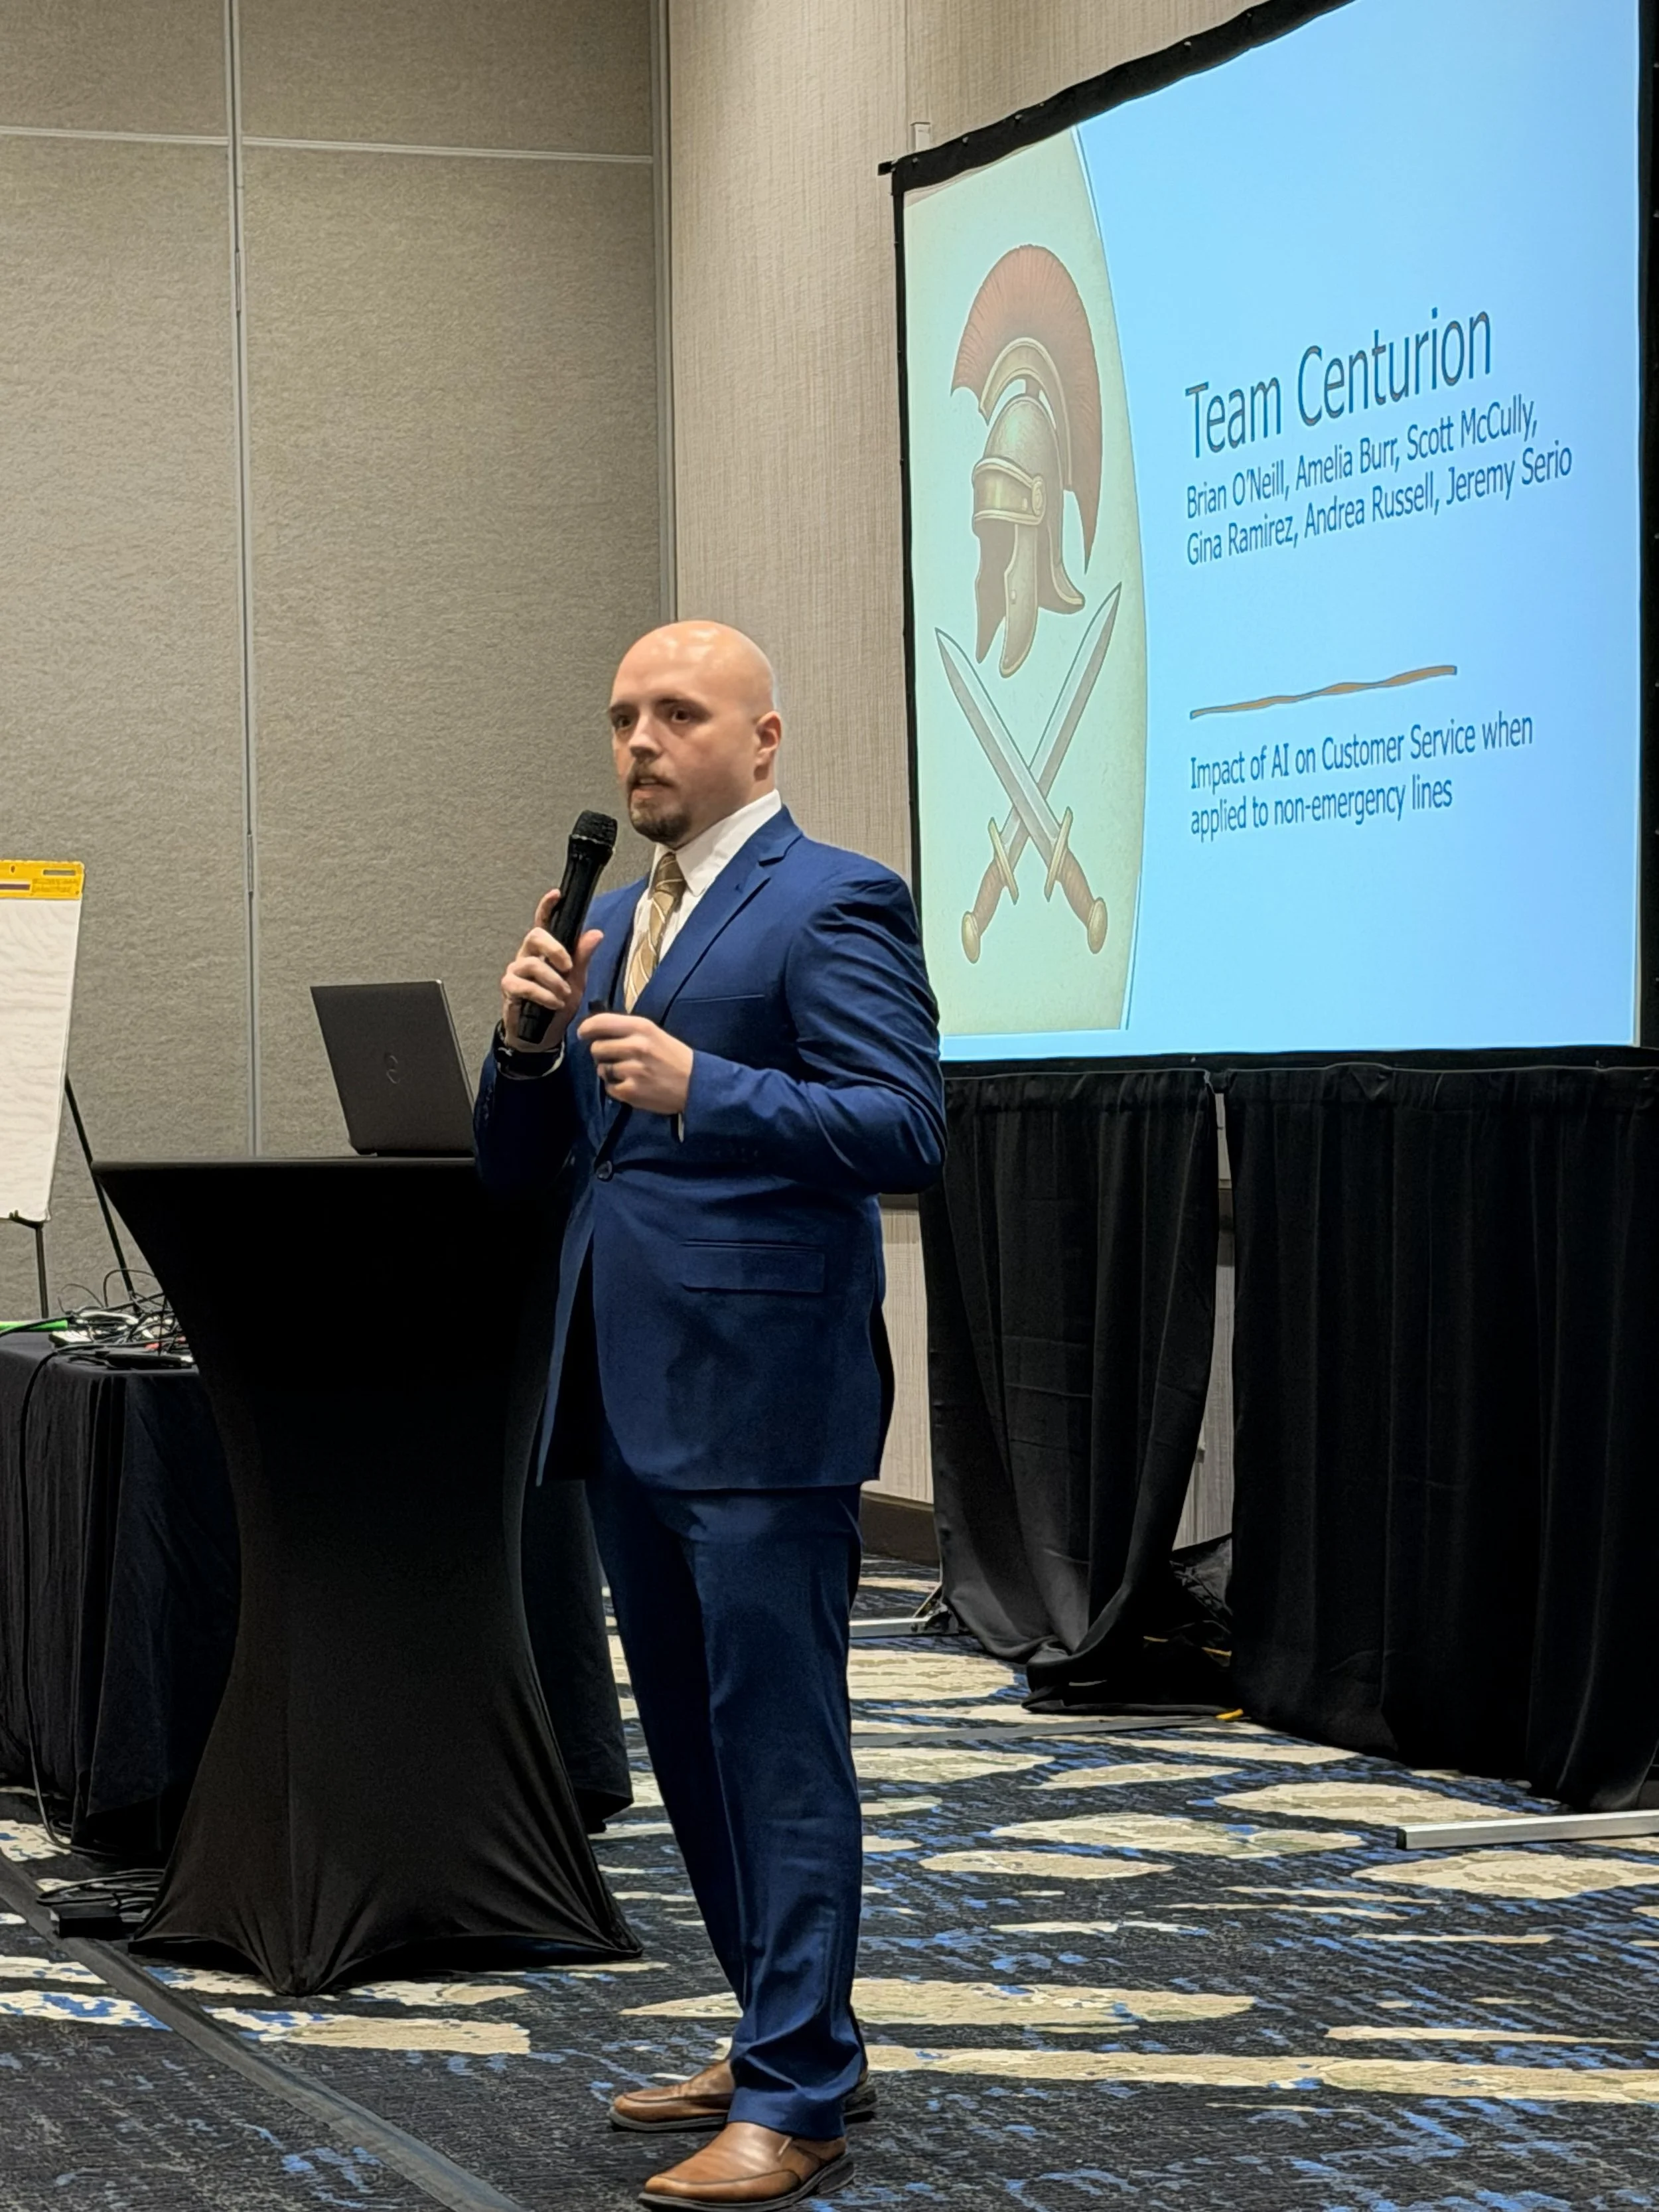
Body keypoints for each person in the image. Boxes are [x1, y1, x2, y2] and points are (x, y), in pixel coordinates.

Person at [473, 621, 945, 2210]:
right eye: (621, 715)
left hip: (762, 1396)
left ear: (764, 738)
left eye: (677, 712)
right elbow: (516, 1167)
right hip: (621, 1387)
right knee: (690, 1740)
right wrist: (526, 1039)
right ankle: (781, 2032)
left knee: (777, 1747)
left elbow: (904, 1128)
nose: (639, 741)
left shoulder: (835, 898)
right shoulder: (608, 918)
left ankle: (798, 2095)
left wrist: (707, 1085)